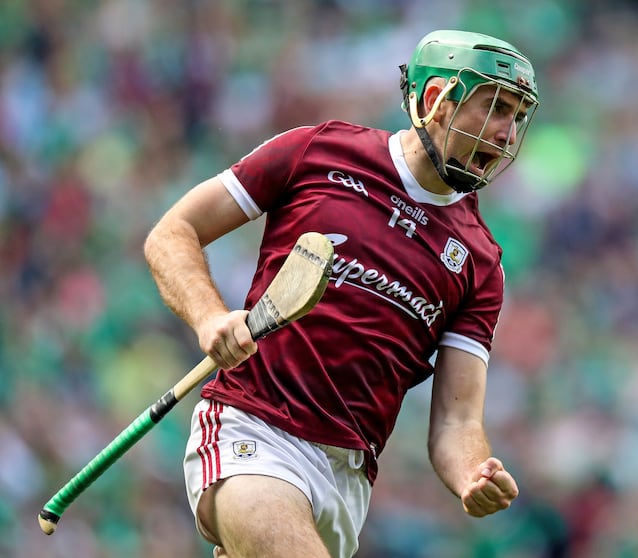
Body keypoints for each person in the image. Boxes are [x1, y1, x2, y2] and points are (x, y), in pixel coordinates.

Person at [144, 29, 539, 558]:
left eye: (517, 117)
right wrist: (210, 317)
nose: (507, 134)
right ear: (433, 101)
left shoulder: (481, 263)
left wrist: (473, 471)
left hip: (347, 478)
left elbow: (456, 421)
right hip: (252, 427)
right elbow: (173, 233)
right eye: (494, 108)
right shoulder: (318, 150)